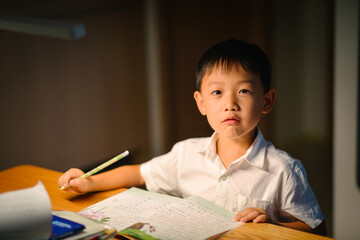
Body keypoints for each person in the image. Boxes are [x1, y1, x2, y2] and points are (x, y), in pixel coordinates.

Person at [58, 39, 326, 235]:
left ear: (267, 100)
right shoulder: (186, 154)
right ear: (201, 103)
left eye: (244, 91)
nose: (230, 104)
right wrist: (88, 182)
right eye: (217, 93)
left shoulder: (283, 169)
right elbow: (139, 174)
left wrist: (271, 224)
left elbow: (317, 229)